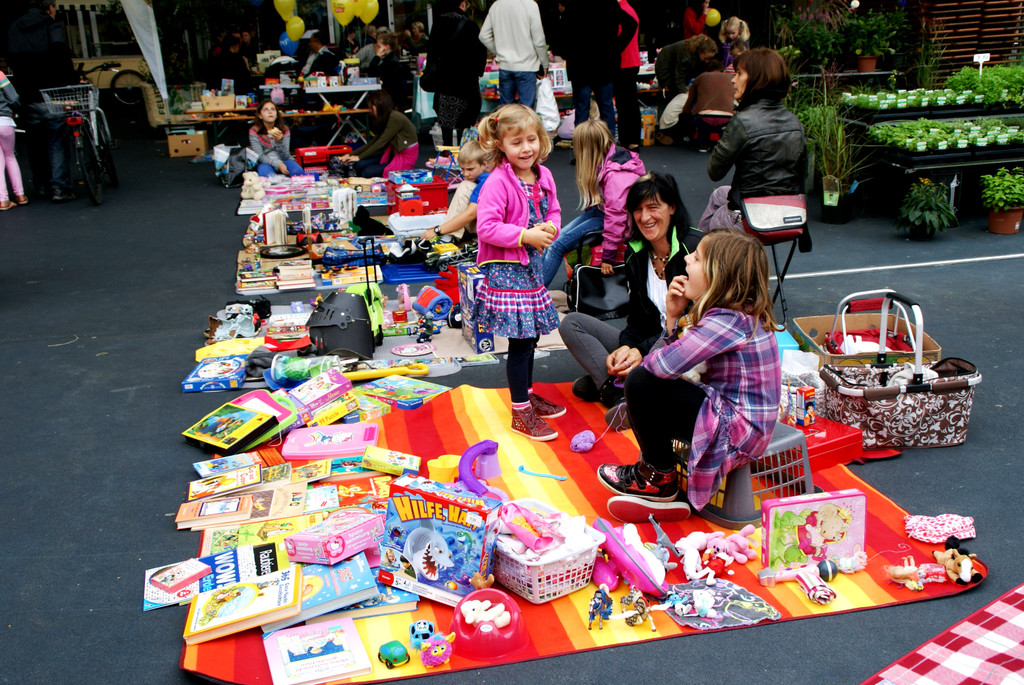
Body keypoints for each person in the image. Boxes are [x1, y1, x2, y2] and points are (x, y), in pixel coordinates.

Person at [596, 228, 781, 521]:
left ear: (716, 275)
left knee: (640, 383)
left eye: (695, 258)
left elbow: (657, 367)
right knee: (652, 386)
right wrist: (672, 317)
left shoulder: (727, 322)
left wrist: (671, 325)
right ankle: (643, 426)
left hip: (738, 434)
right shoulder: (736, 314)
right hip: (740, 421)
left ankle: (659, 479)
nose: (685, 258)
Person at [559, 172, 702, 414]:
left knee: (589, 385)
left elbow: (692, 326)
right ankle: (618, 388)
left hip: (683, 347)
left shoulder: (695, 249)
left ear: (672, 208)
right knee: (571, 323)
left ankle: (611, 387)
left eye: (653, 207)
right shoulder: (635, 253)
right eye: (637, 209)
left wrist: (641, 351)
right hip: (648, 343)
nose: (645, 217)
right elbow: (637, 318)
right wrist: (625, 348)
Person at [473, 104, 563, 441]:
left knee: (532, 337)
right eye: (516, 143)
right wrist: (525, 235)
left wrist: (551, 228)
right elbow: (486, 228)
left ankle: (524, 392)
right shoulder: (497, 182)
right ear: (500, 145)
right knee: (521, 342)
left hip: (531, 270)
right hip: (508, 272)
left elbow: (552, 209)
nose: (526, 148)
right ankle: (520, 410)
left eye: (531, 139)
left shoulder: (544, 176)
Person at [699, 47, 806, 233]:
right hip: (787, 213)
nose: (733, 80)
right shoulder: (794, 122)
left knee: (716, 220)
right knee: (719, 195)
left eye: (739, 73)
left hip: (749, 216)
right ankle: (700, 254)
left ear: (757, 79)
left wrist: (729, 135)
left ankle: (699, 255)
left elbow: (714, 171)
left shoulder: (743, 121)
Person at [541, 119, 645, 287]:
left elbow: (617, 217)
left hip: (618, 221)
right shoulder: (611, 157)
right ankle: (532, 282)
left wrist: (608, 256)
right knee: (552, 240)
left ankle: (535, 294)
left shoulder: (617, 176)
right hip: (603, 212)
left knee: (557, 246)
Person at [6, 0, 79, 203]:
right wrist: (71, 81)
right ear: (50, 8)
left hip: (26, 93)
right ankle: (59, 187)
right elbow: (61, 56)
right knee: (57, 139)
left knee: (35, 142)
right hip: (52, 92)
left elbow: (12, 60)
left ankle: (42, 185)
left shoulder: (14, 27)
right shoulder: (52, 26)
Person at [562, 0, 636, 139]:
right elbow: (631, 24)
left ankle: (582, 152)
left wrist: (568, 53)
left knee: (582, 111)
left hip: (580, 65)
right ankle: (609, 149)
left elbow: (562, 33)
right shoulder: (609, 4)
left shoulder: (573, 5)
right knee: (606, 108)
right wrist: (616, 48)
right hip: (604, 64)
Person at [424, 0, 487, 147]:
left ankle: (447, 156)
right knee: (464, 126)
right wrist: (478, 71)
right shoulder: (470, 25)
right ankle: (463, 157)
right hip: (465, 83)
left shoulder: (438, 24)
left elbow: (432, 53)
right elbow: (479, 53)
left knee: (446, 124)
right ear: (463, 4)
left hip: (445, 83)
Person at [479, 0, 549, 108]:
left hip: (505, 66)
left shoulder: (497, 5)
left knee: (506, 112)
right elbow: (539, 40)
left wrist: (499, 52)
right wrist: (544, 63)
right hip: (527, 66)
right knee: (526, 113)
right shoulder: (530, 5)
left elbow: (483, 35)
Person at [419, 140, 493, 241]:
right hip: (491, 224)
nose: (465, 174)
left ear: (484, 164)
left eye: (470, 169)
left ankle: (449, 236)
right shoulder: (488, 175)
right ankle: (449, 232)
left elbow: (471, 213)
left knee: (465, 186)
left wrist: (439, 230)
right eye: (462, 169)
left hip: (493, 228)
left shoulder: (486, 181)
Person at [654, 34, 717, 145]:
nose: (707, 61)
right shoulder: (685, 52)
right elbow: (679, 75)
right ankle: (666, 132)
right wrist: (684, 92)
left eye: (710, 58)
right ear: (699, 51)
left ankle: (680, 132)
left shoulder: (697, 55)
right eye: (706, 58)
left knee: (684, 95)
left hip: (677, 67)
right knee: (673, 94)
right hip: (666, 66)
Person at [339, 90, 418, 177]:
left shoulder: (395, 117)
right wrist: (350, 155)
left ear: (379, 106)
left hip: (404, 157)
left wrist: (359, 157)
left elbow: (381, 142)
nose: (371, 112)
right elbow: (374, 142)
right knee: (358, 165)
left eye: (372, 107)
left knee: (366, 172)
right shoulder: (387, 117)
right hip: (393, 153)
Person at [681, 58, 735, 152]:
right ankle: (723, 143)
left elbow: (690, 99)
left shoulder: (701, 77)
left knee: (698, 107)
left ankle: (703, 143)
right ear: (722, 69)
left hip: (703, 119)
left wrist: (686, 112)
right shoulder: (730, 78)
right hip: (727, 119)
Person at [614, 0, 643, 150]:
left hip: (624, 62)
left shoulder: (620, 10)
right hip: (630, 61)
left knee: (627, 103)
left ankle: (631, 139)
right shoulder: (629, 8)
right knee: (627, 103)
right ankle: (629, 139)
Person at [248, 100, 304, 177]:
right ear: (260, 115)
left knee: (298, 172)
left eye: (273, 109)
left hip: (284, 160)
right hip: (266, 162)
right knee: (265, 175)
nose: (270, 112)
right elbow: (260, 157)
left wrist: (279, 142)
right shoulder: (254, 131)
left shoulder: (284, 130)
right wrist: (277, 164)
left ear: (277, 114)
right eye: (266, 109)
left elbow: (285, 156)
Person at [0, 71, 27, 210]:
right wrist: (14, 109)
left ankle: (3, 200)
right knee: (10, 156)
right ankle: (20, 195)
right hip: (4, 120)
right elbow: (13, 97)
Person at [366, 31, 410, 111]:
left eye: (379, 47)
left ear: (386, 47)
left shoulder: (390, 62)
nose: (377, 49)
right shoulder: (390, 60)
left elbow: (372, 72)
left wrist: (377, 57)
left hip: (393, 100)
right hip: (394, 98)